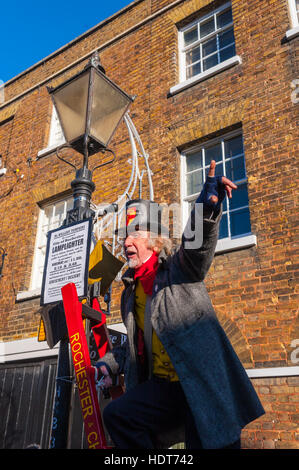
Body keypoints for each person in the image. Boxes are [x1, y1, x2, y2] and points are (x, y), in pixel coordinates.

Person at [94, 160, 265, 449]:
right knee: (119, 415)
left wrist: (206, 207)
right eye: (125, 237)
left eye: (135, 234)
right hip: (165, 389)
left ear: (155, 242)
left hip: (201, 384)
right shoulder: (129, 291)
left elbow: (196, 247)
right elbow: (134, 346)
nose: (126, 243)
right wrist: (107, 365)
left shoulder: (178, 269)